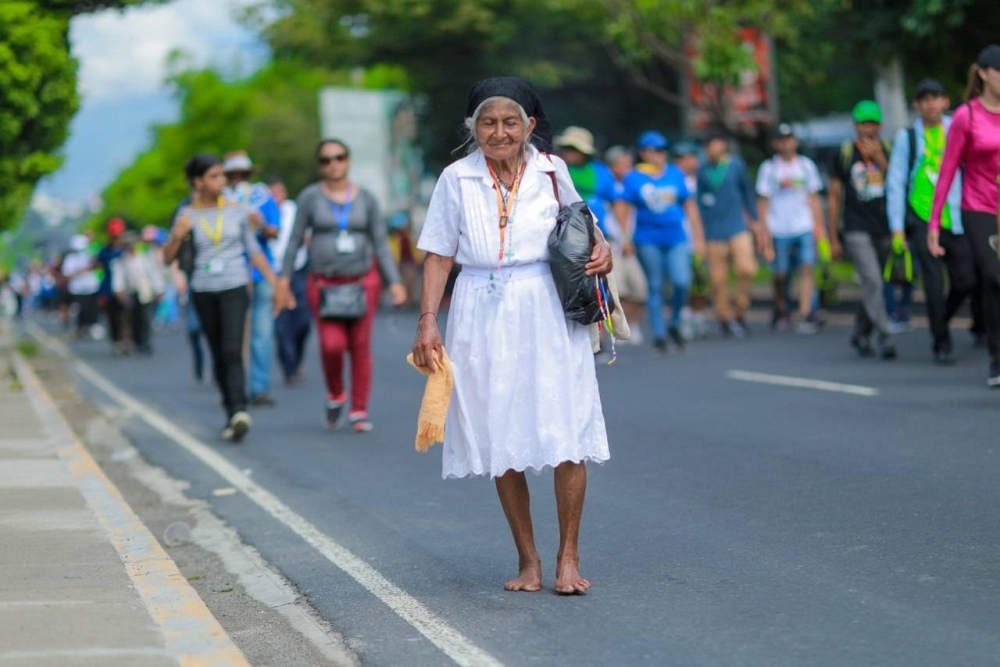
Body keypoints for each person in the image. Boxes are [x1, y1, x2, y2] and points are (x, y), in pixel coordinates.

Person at [412, 76, 612, 594]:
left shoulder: (552, 169)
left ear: (530, 126)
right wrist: (428, 320)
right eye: (487, 122)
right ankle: (529, 561)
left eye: (509, 122)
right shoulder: (456, 179)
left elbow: (582, 221)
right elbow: (438, 253)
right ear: (473, 128)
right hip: (480, 307)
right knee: (499, 431)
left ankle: (569, 557)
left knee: (566, 424)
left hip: (547, 304)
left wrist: (604, 249)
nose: (498, 132)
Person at [276, 140, 407, 433]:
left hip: (362, 283)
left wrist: (394, 282)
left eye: (339, 157)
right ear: (320, 165)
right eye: (326, 160)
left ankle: (359, 409)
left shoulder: (367, 200)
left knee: (360, 346)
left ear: (348, 161)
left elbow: (380, 245)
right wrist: (283, 280)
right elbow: (295, 240)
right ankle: (336, 393)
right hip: (323, 285)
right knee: (332, 345)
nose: (333, 164)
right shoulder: (310, 198)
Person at [163, 154, 283, 442]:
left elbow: (253, 250)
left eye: (222, 175)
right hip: (203, 290)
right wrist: (178, 237)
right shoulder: (186, 216)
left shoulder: (236, 211)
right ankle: (230, 410)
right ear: (198, 181)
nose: (223, 181)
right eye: (215, 176)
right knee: (217, 351)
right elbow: (167, 258)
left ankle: (240, 409)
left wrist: (276, 283)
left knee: (232, 349)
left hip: (235, 287)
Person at [886, 78, 974, 364]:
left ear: (946, 101)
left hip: (956, 216)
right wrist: (897, 227)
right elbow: (896, 182)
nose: (931, 104)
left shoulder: (958, 128)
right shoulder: (907, 138)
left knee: (966, 280)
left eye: (936, 98)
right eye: (924, 99)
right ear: (916, 104)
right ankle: (941, 342)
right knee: (934, 285)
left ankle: (941, 321)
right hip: (922, 217)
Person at [930, 45, 1000, 385]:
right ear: (984, 73)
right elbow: (946, 171)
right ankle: (997, 358)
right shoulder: (966, 116)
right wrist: (934, 223)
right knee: (994, 275)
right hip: (979, 207)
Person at [612, 130, 706, 354]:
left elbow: (690, 206)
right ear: (644, 152)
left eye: (663, 150)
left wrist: (699, 236)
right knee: (654, 286)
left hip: (676, 237)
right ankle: (659, 334)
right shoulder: (634, 177)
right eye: (655, 150)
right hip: (648, 239)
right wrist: (625, 237)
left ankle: (674, 323)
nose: (660, 154)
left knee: (681, 281)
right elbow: (624, 208)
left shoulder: (675, 173)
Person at [829, 101, 897, 359]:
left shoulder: (890, 150)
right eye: (862, 124)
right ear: (855, 126)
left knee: (875, 285)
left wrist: (880, 159)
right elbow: (834, 196)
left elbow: (898, 185)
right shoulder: (845, 153)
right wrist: (833, 235)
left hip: (884, 226)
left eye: (872, 123)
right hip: (856, 227)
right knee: (872, 280)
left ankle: (861, 330)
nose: (867, 129)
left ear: (879, 126)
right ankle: (885, 336)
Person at [224, 151, 281, 407]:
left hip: (259, 272)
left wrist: (260, 224)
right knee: (233, 333)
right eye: (233, 174)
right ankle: (234, 387)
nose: (238, 178)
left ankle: (259, 387)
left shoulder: (261, 196)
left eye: (241, 173)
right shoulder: (221, 199)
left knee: (261, 332)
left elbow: (274, 231)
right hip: (231, 273)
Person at [756, 123, 826, 334]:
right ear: (776, 143)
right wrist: (764, 234)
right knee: (781, 273)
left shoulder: (806, 166)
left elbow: (814, 199)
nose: (786, 144)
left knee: (807, 267)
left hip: (803, 225)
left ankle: (805, 312)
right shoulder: (769, 168)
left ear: (794, 141)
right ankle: (781, 307)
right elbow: (763, 202)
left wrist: (819, 228)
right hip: (778, 228)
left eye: (789, 139)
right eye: (781, 140)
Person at [696, 131, 762, 337]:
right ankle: (723, 316)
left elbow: (747, 192)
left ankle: (740, 309)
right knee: (718, 279)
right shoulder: (702, 170)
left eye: (715, 144)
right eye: (708, 146)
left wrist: (755, 220)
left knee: (747, 268)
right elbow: (698, 202)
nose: (712, 149)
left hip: (738, 227)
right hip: (714, 232)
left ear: (723, 145)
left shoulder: (735, 165)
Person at [269, 177, 312, 385]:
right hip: (274, 273)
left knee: (302, 321)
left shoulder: (293, 209)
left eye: (279, 192)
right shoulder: (262, 213)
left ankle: (297, 357)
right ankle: (289, 367)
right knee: (281, 324)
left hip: (298, 270)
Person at [603, 145, 648, 344]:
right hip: (613, 243)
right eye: (622, 163)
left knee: (639, 288)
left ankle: (634, 325)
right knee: (617, 289)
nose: (627, 167)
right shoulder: (607, 186)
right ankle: (616, 330)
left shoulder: (635, 184)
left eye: (628, 163)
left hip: (630, 244)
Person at [111, 232, 165, 354]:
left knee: (145, 317)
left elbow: (153, 274)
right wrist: (118, 290)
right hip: (131, 291)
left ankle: (145, 342)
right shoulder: (121, 260)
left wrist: (159, 289)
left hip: (144, 291)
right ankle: (135, 341)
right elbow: (118, 277)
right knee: (132, 318)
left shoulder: (144, 258)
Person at [95, 218, 128, 353]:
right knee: (112, 317)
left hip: (125, 288)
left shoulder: (126, 250)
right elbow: (98, 265)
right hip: (108, 288)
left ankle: (126, 340)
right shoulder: (105, 250)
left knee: (126, 316)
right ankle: (116, 341)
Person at [61, 234, 102, 340]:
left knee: (92, 310)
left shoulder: (90, 255)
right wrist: (80, 271)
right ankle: (81, 328)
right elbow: (67, 273)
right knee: (81, 310)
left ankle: (90, 327)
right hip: (78, 289)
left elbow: (98, 264)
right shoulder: (70, 258)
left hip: (91, 287)